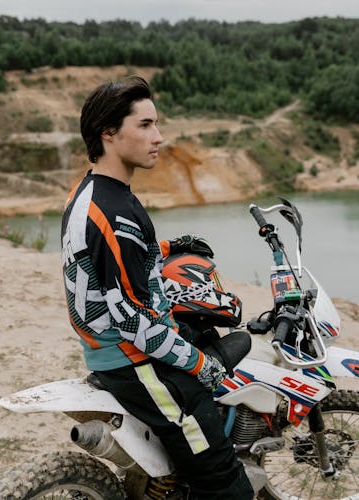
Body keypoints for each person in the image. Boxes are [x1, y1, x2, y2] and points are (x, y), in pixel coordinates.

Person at [60, 76, 253, 498]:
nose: (159, 137)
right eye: (145, 125)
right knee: (225, 481)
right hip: (135, 361)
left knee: (209, 338)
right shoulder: (115, 216)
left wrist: (167, 246)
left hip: (110, 347)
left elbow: (109, 259)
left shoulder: (91, 192)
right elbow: (132, 322)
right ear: (108, 133)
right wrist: (201, 366)